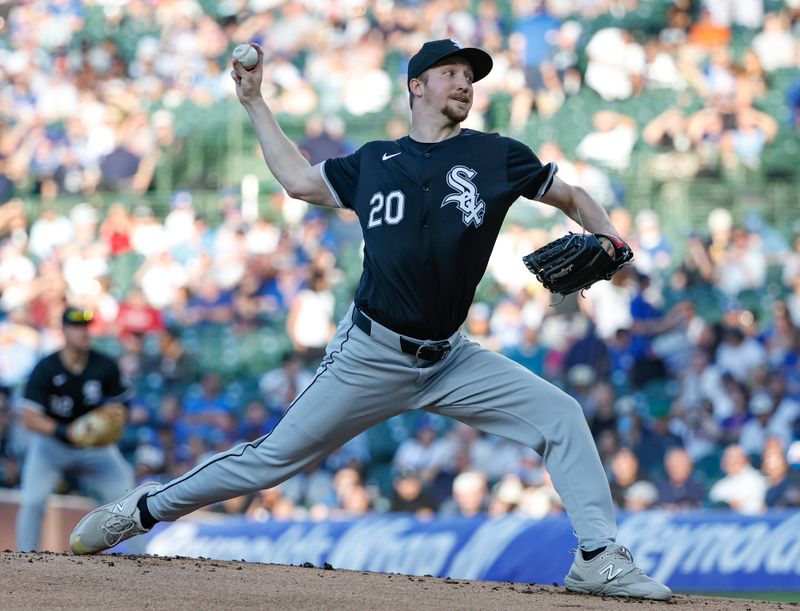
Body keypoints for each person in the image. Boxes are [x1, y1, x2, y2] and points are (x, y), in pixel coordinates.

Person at [69, 39, 670, 600]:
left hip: (452, 357)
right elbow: (300, 182)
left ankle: (597, 555)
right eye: (451, 73)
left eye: (471, 76)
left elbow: (568, 195)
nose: (465, 83)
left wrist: (609, 237)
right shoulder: (376, 161)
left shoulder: (495, 155)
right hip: (371, 354)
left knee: (561, 414)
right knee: (270, 460)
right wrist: (254, 103)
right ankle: (141, 511)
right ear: (415, 86)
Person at [16, 307, 138, 552]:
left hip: (95, 447)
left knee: (128, 500)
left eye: (86, 327)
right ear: (63, 331)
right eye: (76, 327)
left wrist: (117, 417)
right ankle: (23, 559)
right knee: (32, 501)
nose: (83, 332)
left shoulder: (103, 365)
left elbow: (123, 404)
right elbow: (30, 418)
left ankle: (140, 561)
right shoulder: (46, 367)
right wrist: (66, 431)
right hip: (51, 447)